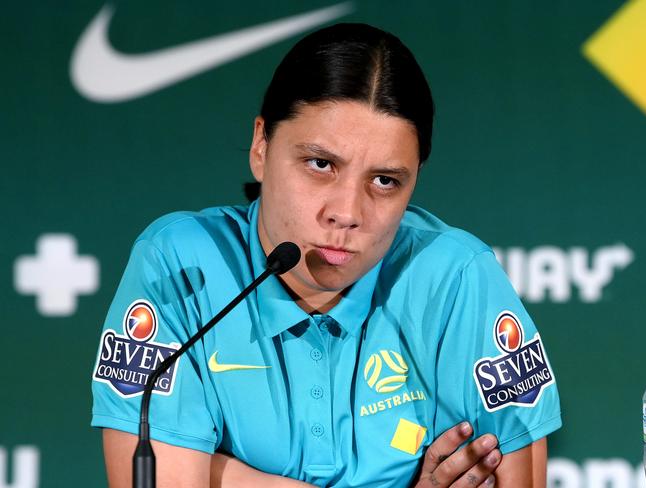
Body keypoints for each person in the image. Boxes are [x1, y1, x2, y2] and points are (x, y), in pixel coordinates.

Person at [91, 23, 561, 487]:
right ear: (261, 145)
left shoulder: (455, 277)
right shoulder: (182, 264)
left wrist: (227, 474)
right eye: (320, 164)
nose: (347, 214)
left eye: (385, 181)